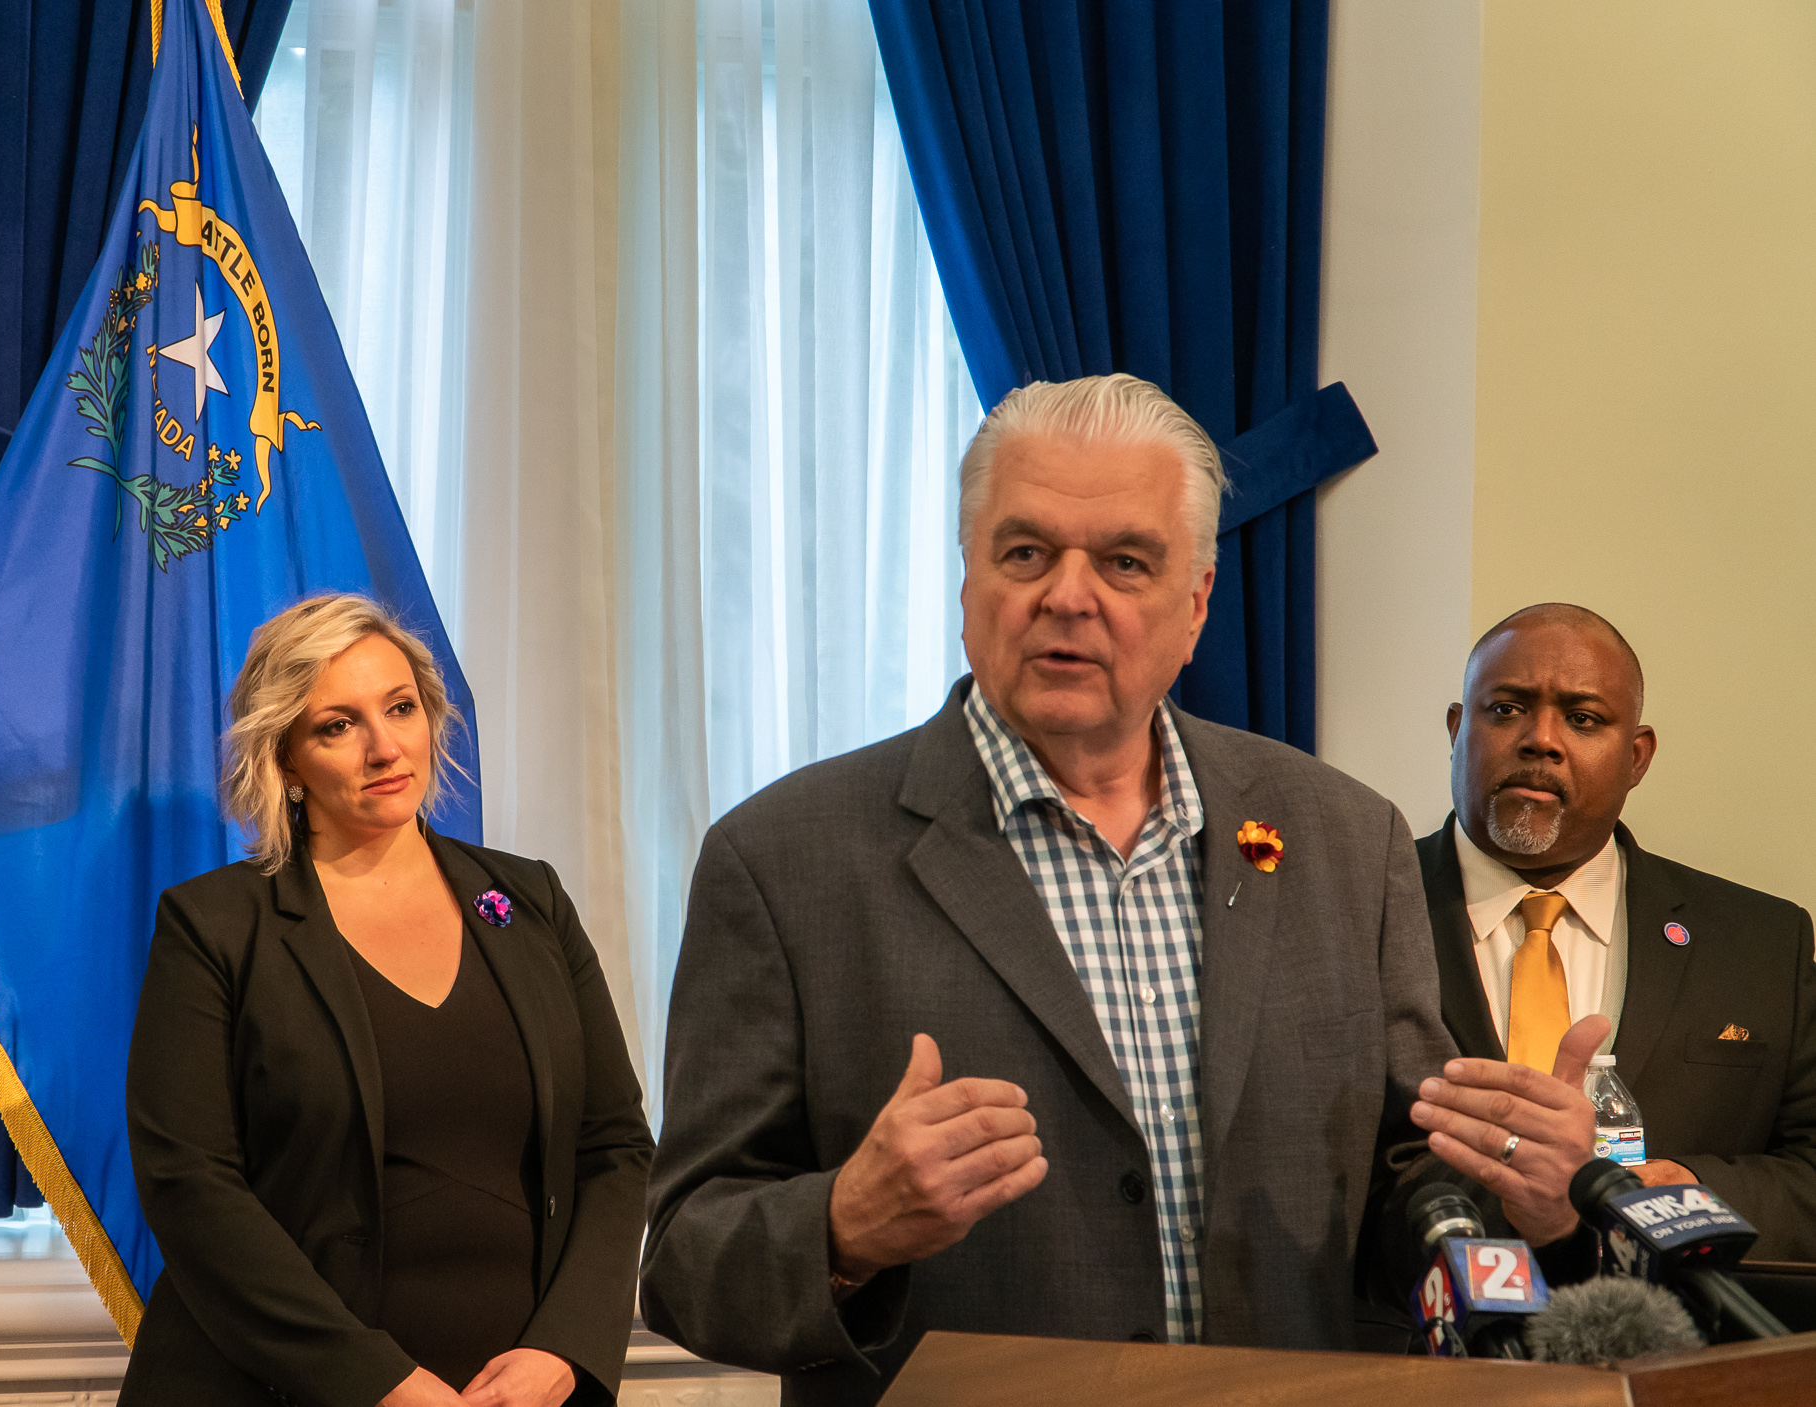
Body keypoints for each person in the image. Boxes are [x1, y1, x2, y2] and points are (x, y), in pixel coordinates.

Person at [639, 375, 1603, 1402]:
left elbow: (1407, 1183)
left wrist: (1537, 1201)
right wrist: (844, 1228)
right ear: (968, 584)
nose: (1067, 594)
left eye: (1123, 561)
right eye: (1024, 553)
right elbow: (685, 1261)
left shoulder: (1341, 841)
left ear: (1193, 605)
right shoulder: (786, 858)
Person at [118, 594, 653, 1407]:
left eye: (400, 707)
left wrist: (564, 1348)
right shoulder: (215, 926)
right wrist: (379, 1383)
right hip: (282, 1388)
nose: (382, 746)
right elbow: (191, 1185)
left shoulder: (529, 901)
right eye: (337, 725)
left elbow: (614, 1146)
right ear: (287, 760)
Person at [1421, 603, 1816, 1257]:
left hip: (1679, 1345)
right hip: (1420, 1347)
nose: (1541, 739)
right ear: (1458, 729)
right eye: (1506, 708)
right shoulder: (1355, 910)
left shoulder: (1762, 943)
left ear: (1636, 757)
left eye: (1582, 718)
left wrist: (1687, 1190)